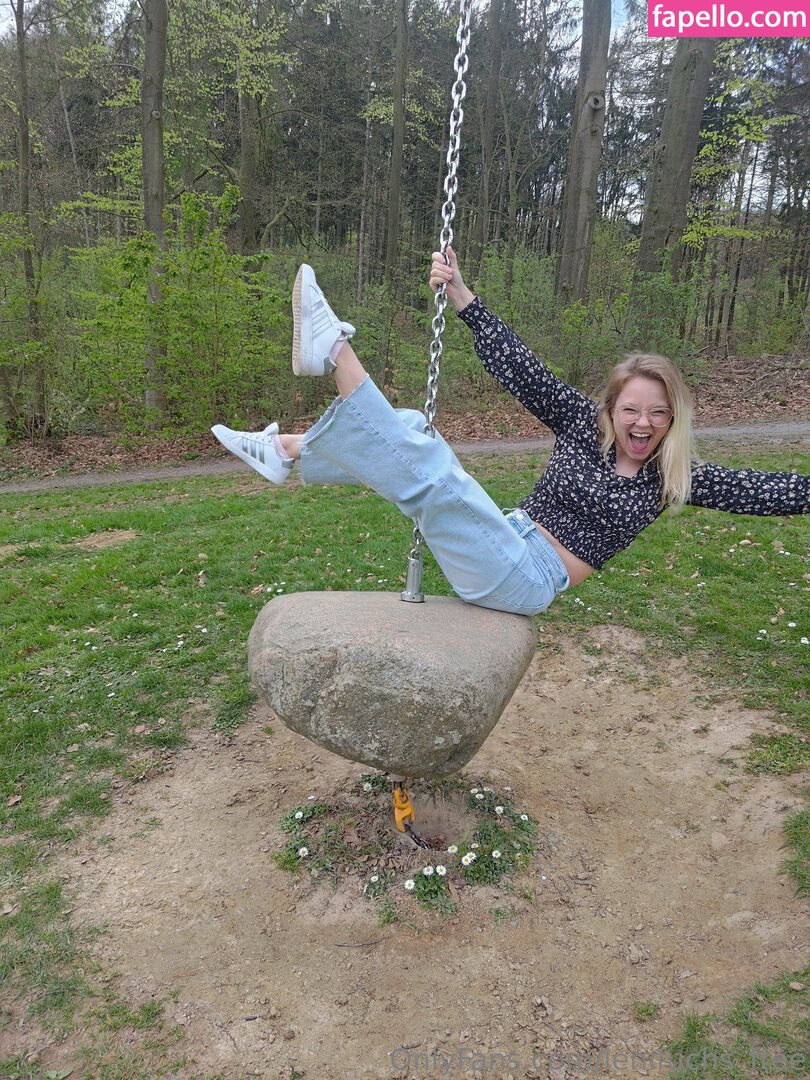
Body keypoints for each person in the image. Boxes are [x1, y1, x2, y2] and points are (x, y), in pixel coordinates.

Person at [211, 251, 809, 617]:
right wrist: (462, 298)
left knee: (435, 478)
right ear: (611, 408)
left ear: (672, 419)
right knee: (414, 427)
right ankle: (288, 451)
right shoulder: (583, 424)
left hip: (525, 577)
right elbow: (522, 371)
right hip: (504, 535)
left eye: (658, 413)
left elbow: (764, 491)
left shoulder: (671, 478)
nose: (643, 423)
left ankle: (335, 351)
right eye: (631, 409)